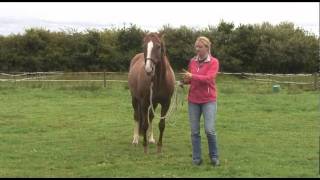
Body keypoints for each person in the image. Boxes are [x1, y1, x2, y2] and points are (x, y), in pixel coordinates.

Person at [182, 36, 220, 166]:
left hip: (208, 100)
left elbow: (209, 78)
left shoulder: (214, 62)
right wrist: (185, 81)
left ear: (207, 48)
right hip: (193, 100)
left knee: (209, 130)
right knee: (194, 131)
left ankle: (214, 156)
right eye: (196, 47)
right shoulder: (192, 61)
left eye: (200, 47)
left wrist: (193, 76)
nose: (197, 49)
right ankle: (196, 158)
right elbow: (191, 79)